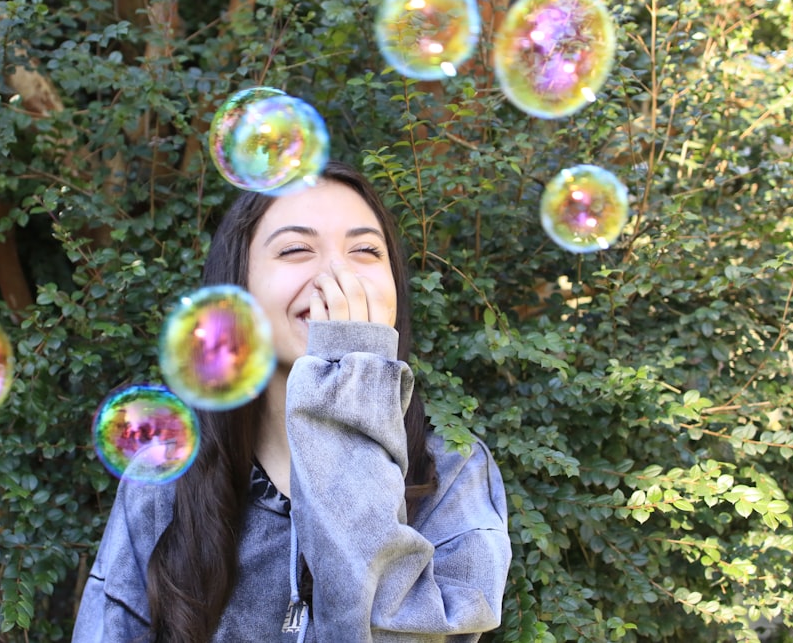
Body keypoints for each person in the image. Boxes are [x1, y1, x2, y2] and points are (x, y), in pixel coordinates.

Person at [72, 160, 512, 642]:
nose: (336, 275)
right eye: (297, 249)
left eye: (365, 250)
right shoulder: (166, 475)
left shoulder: (453, 472)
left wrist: (348, 393)